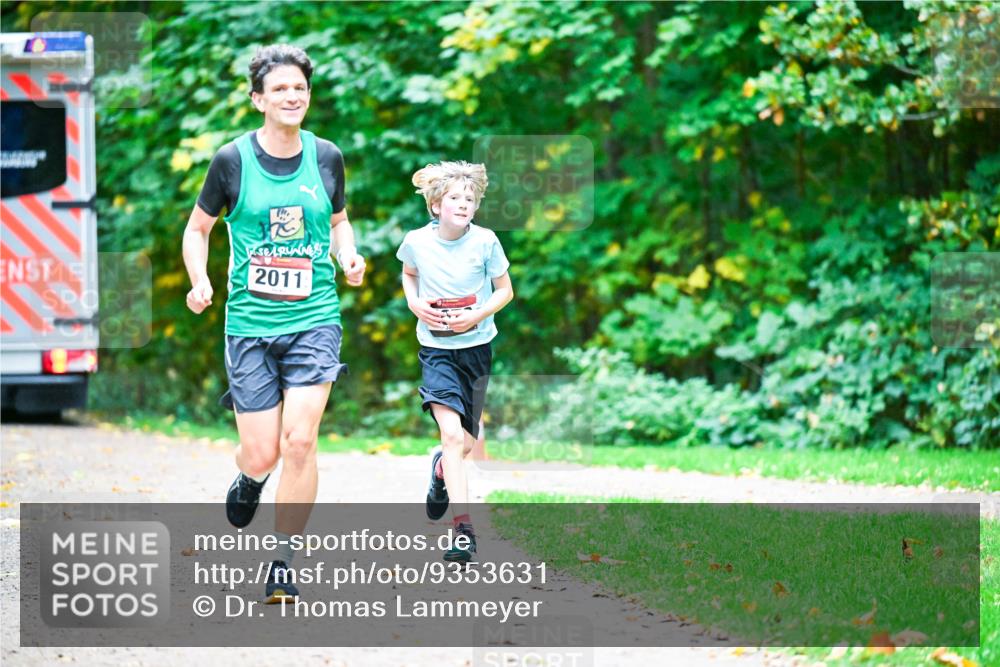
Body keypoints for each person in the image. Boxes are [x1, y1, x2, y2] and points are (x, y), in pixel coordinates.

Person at [182, 44, 366, 603]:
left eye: (300, 88)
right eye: (281, 89)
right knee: (262, 452)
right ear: (258, 98)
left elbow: (339, 221)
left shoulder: (327, 156)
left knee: (301, 441)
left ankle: (283, 558)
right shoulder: (231, 161)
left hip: (314, 317)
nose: (293, 96)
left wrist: (348, 255)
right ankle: (250, 477)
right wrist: (200, 280)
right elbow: (198, 230)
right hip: (249, 323)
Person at [396, 161, 514, 563]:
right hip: (436, 350)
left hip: (477, 350)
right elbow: (409, 274)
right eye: (455, 198)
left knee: (463, 443)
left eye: (470, 199)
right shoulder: (416, 241)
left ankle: (442, 471)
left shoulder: (485, 241)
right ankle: (463, 532)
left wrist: (476, 315)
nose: (464, 204)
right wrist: (414, 303)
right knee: (450, 436)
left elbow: (505, 291)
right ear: (435, 205)